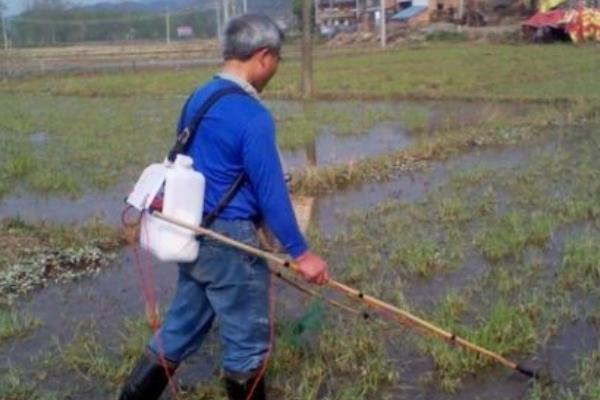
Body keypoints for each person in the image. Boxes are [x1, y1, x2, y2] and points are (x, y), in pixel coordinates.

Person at [118, 13, 329, 400]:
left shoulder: (199, 97)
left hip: (193, 232)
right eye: (278, 61)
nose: (275, 70)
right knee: (248, 347)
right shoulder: (253, 117)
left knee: (180, 328)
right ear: (264, 56)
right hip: (232, 241)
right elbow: (272, 195)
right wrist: (302, 253)